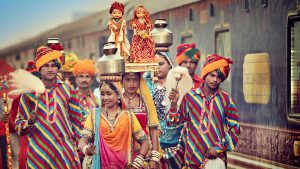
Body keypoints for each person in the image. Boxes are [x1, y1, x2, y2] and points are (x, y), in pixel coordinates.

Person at [167, 54, 240, 168]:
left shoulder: (226, 100)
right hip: (192, 159)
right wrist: (173, 104)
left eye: (219, 77)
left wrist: (219, 148)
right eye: (212, 75)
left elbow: (235, 128)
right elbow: (173, 122)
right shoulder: (190, 97)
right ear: (205, 74)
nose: (215, 80)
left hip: (216, 161)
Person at [15, 46, 83, 168]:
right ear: (39, 69)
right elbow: (18, 125)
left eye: (53, 65)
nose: (50, 69)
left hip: (65, 153)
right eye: (46, 66)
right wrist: (29, 121)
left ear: (58, 67)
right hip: (39, 154)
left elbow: (77, 123)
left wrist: (83, 147)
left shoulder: (68, 90)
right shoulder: (29, 92)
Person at [79, 81, 150, 169]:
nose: (105, 98)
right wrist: (87, 149)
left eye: (109, 94)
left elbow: (145, 142)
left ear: (118, 95)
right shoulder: (94, 115)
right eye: (102, 94)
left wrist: (137, 162)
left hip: (125, 166)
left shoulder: (128, 116)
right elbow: (82, 141)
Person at [145, 52, 185, 169]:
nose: (157, 67)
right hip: (151, 140)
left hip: (175, 142)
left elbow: (184, 112)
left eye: (161, 63)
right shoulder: (145, 83)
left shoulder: (178, 83)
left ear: (169, 64)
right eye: (154, 64)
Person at [122, 72, 160, 169]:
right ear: (121, 81)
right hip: (121, 151)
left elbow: (153, 129)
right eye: (128, 79)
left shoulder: (145, 101)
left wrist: (154, 158)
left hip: (144, 152)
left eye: (135, 79)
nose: (132, 83)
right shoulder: (116, 100)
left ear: (140, 81)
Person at [73, 59, 100, 168]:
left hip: (93, 146)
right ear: (75, 78)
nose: (84, 79)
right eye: (81, 76)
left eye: (87, 76)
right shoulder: (70, 98)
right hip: (74, 147)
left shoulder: (97, 99)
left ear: (92, 79)